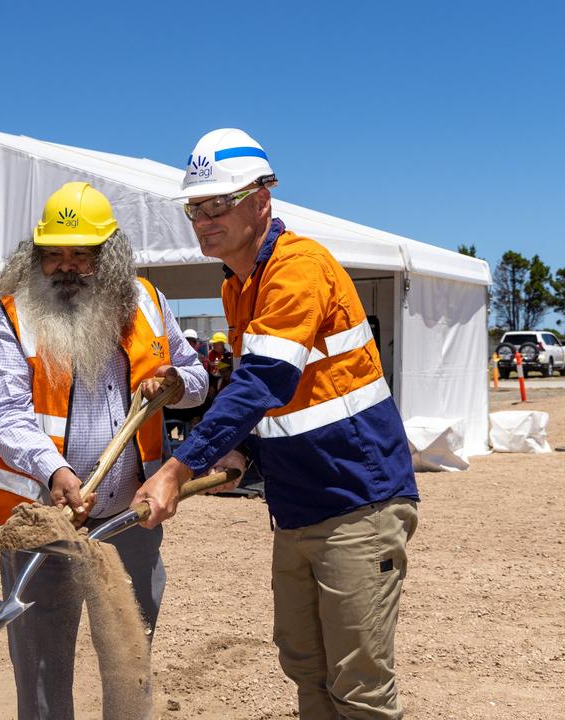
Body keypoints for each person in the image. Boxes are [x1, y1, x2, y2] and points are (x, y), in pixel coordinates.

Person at [134, 129, 419, 720]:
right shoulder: (237, 286)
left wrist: (178, 465)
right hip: (298, 506)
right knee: (306, 666)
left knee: (359, 685)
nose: (205, 218)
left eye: (220, 203)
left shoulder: (297, 267)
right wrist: (245, 456)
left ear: (263, 198)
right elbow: (284, 402)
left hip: (357, 502)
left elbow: (264, 380)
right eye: (196, 207)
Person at [0, 181, 208, 719]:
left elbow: (199, 380)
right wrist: (55, 470)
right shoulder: (11, 316)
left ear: (108, 256)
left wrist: (174, 382)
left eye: (81, 254)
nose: (65, 266)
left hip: (130, 523)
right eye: (53, 253)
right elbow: (6, 413)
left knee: (129, 660)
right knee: (42, 667)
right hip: (45, 521)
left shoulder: (149, 304)